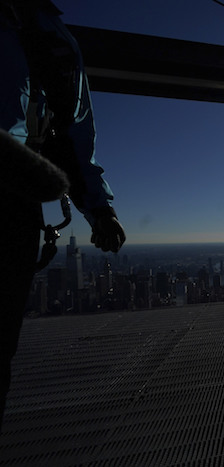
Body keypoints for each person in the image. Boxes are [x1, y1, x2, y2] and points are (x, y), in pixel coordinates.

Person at [0, 0, 126, 428]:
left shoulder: (50, 33)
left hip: (13, 196)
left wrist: (100, 209)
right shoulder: (49, 33)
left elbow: (72, 131)